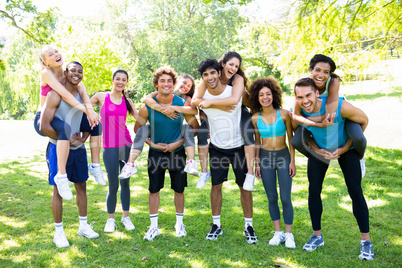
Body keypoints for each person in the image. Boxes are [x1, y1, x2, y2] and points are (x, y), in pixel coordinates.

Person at [293, 78, 373, 260]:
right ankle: (316, 236)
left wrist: (344, 148)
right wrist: (317, 149)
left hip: (346, 149)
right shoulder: (298, 113)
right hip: (320, 150)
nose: (305, 100)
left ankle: (366, 241)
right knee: (313, 190)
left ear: (316, 93)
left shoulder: (338, 106)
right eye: (300, 97)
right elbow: (300, 134)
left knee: (355, 191)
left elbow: (363, 120)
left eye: (308, 95)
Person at [193, 59, 257, 244]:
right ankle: (216, 225)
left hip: (238, 147)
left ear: (219, 71)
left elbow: (243, 102)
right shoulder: (203, 93)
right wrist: (209, 104)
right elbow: (195, 101)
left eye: (212, 73)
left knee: (244, 186)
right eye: (205, 75)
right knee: (216, 186)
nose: (210, 77)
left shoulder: (233, 91)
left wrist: (209, 104)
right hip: (217, 148)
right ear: (203, 78)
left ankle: (248, 225)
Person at [40, 61, 99, 248]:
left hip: (78, 149)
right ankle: (59, 232)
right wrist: (63, 139)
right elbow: (44, 126)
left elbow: (90, 121)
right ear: (65, 72)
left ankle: (83, 226)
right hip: (58, 148)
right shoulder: (54, 94)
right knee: (58, 189)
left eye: (80, 72)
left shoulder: (82, 96)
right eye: (72, 70)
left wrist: (82, 139)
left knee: (82, 186)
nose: (76, 74)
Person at [36, 45, 105, 201]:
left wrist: (91, 112)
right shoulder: (46, 73)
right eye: (50, 54)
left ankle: (95, 165)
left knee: (96, 125)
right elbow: (66, 96)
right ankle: (61, 176)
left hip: (65, 115)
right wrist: (87, 111)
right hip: (45, 117)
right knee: (65, 131)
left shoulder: (68, 74)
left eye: (56, 51)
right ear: (46, 62)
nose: (56, 54)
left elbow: (83, 92)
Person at [291, 54, 367, 176]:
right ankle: (317, 158)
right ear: (311, 71)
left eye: (326, 72)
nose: (321, 75)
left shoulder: (333, 81)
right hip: (315, 112)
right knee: (297, 141)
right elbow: (295, 115)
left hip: (338, 113)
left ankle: (360, 158)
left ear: (330, 74)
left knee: (358, 137)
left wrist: (306, 119)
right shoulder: (304, 85)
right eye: (317, 70)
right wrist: (315, 124)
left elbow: (329, 115)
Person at [192, 51, 256, 190]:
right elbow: (195, 100)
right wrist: (214, 106)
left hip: (241, 108)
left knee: (246, 130)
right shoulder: (212, 75)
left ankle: (250, 174)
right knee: (202, 132)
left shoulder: (237, 78)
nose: (233, 68)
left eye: (236, 66)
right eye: (231, 64)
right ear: (223, 64)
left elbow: (234, 101)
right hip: (218, 113)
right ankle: (204, 172)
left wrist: (210, 103)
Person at [118, 74, 199, 179]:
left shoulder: (186, 99)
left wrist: (174, 108)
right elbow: (146, 99)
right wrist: (162, 109)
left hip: (177, 136)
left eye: (189, 85)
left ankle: (191, 163)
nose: (186, 86)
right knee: (142, 129)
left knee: (187, 128)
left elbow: (194, 110)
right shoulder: (164, 90)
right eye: (184, 82)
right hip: (155, 132)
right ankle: (129, 164)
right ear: (176, 82)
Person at [250, 77, 296, 248]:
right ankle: (278, 233)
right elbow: (256, 142)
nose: (265, 97)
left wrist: (292, 161)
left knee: (285, 198)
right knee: (271, 197)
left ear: (274, 94)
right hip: (265, 159)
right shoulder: (255, 118)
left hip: (284, 157)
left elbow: (291, 140)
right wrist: (256, 164)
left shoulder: (284, 114)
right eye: (261, 95)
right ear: (257, 97)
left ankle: (289, 234)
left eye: (268, 93)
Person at [90, 70, 138, 233]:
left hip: (126, 145)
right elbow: (85, 107)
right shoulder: (102, 97)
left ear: (126, 83)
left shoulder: (127, 101)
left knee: (125, 183)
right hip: (109, 147)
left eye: (124, 80)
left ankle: (126, 217)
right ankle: (110, 219)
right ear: (112, 80)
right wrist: (92, 115)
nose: (120, 82)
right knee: (113, 185)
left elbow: (140, 118)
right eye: (118, 79)